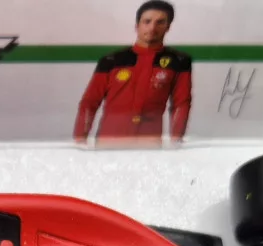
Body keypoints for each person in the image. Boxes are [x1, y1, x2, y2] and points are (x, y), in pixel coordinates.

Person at [73, 1, 192, 146]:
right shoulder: (111, 61)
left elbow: (181, 104)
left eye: (160, 22)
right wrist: (80, 140)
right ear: (137, 25)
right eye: (147, 21)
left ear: (168, 27)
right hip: (109, 143)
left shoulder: (179, 61)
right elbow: (89, 102)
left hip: (150, 145)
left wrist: (176, 140)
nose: (152, 27)